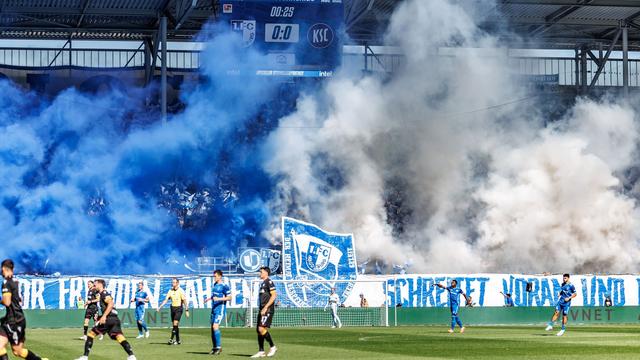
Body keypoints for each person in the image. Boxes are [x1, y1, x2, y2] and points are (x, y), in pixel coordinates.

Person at [74, 279, 136, 360]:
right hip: (114, 319)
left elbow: (111, 304)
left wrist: (103, 317)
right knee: (119, 337)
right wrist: (100, 316)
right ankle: (131, 356)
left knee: (90, 335)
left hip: (108, 318)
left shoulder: (104, 293)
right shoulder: (101, 294)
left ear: (100, 284)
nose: (94, 286)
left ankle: (85, 357)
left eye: (95, 284)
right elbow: (108, 307)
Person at [0, 259, 48, 360]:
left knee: (18, 352)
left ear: (4, 268)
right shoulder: (14, 282)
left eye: (1, 269)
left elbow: (7, 302)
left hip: (15, 321)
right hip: (9, 320)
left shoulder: (6, 283)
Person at [204, 270, 232, 355]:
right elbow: (214, 296)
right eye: (214, 276)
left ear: (220, 276)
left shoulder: (224, 286)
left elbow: (230, 297)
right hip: (214, 308)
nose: (214, 278)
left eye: (215, 276)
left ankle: (219, 347)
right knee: (212, 329)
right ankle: (214, 348)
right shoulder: (215, 285)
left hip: (220, 309)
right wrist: (209, 298)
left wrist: (219, 299)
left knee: (215, 326)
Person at [251, 267, 277, 358]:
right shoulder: (262, 283)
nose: (259, 273)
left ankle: (273, 347)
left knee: (261, 329)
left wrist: (266, 307)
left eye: (261, 272)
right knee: (258, 330)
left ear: (266, 272)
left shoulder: (269, 282)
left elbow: (274, 295)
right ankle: (261, 351)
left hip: (267, 309)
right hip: (262, 309)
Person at [156, 278, 189, 345]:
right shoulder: (170, 290)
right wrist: (160, 307)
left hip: (179, 308)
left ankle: (171, 339)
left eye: (174, 282)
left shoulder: (181, 291)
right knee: (175, 326)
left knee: (175, 324)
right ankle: (178, 340)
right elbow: (166, 300)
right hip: (172, 308)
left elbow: (184, 301)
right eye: (172, 282)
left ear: (177, 283)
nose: (172, 283)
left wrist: (186, 310)